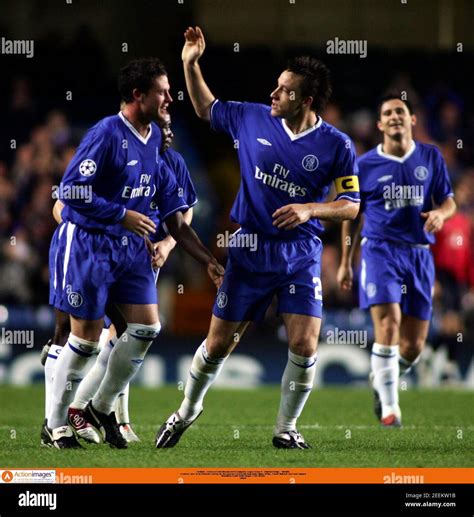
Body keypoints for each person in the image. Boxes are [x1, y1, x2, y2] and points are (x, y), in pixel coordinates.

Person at [155, 27, 360, 450]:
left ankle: (286, 428)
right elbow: (205, 107)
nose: (273, 93)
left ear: (304, 100)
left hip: (300, 252)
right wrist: (190, 63)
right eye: (276, 86)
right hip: (249, 247)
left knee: (304, 344)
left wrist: (310, 209)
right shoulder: (250, 117)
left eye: (283, 91)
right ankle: (187, 411)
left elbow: (351, 204)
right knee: (216, 347)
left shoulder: (336, 145)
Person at [46, 57, 223, 449]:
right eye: (162, 91)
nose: (169, 99)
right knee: (86, 340)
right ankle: (55, 424)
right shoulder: (106, 133)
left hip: (130, 251)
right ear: (138, 95)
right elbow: (71, 191)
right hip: (90, 245)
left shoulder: (155, 143)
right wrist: (121, 215)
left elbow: (178, 221)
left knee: (146, 327)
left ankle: (99, 407)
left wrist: (209, 260)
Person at [337, 94, 456, 427]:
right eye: (387, 112)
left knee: (414, 346)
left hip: (419, 254)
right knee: (387, 324)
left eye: (400, 112)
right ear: (379, 124)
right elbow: (350, 214)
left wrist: (440, 215)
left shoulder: (430, 157)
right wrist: (346, 260)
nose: (394, 117)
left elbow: (448, 200)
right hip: (379, 250)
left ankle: (382, 378)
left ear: (412, 120)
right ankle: (391, 409)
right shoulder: (363, 165)